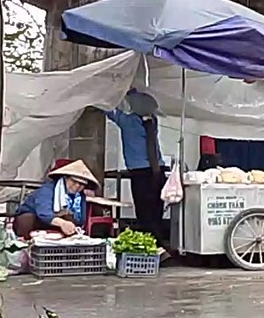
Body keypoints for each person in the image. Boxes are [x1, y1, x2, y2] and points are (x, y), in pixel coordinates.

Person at [106, 90, 167, 246]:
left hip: (140, 172)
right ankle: (159, 243)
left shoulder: (128, 121)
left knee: (143, 210)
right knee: (156, 209)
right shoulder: (153, 122)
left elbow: (108, 109)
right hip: (158, 170)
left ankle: (151, 244)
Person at [12, 161, 100, 238]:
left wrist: (69, 218)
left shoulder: (80, 196)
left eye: (81, 184)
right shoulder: (48, 189)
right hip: (33, 221)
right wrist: (62, 223)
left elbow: (81, 220)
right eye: (74, 181)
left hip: (53, 225)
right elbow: (44, 213)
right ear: (65, 178)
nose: (77, 186)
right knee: (27, 219)